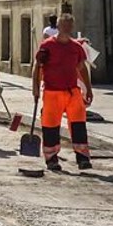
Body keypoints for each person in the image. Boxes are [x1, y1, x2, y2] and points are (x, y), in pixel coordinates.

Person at [33, 12, 94, 171]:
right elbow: (37, 67)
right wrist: (35, 89)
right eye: (64, 25)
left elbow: (82, 68)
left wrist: (89, 89)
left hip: (73, 92)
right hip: (52, 92)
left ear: (72, 27)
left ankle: (82, 158)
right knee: (51, 126)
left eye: (69, 25)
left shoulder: (76, 47)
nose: (66, 28)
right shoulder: (47, 46)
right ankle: (51, 158)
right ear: (58, 26)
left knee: (79, 125)